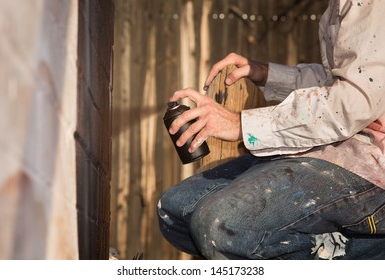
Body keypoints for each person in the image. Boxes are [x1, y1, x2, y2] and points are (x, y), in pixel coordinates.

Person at [157, 0, 385, 259]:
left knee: (222, 226)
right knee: (176, 210)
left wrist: (240, 124)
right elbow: (345, 80)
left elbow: (354, 102)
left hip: (375, 163)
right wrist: (267, 74)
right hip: (343, 146)